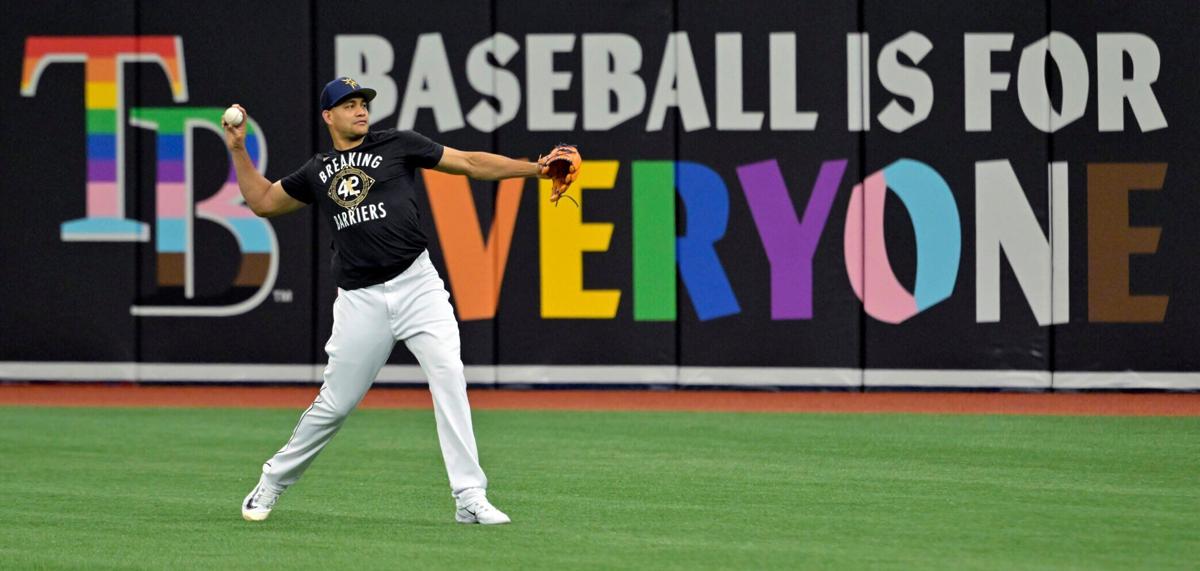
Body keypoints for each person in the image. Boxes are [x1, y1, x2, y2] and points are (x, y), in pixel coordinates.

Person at [223, 76, 576, 525]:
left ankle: (469, 495)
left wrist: (537, 170)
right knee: (336, 404)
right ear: (328, 116)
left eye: (363, 102)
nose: (360, 110)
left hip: (417, 285)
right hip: (360, 301)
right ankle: (272, 481)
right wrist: (237, 148)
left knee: (449, 374)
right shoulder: (317, 170)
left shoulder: (398, 145)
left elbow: (469, 162)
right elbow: (263, 202)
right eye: (348, 105)